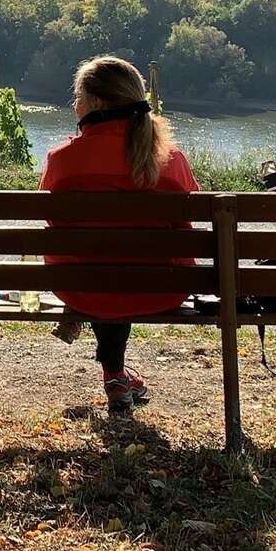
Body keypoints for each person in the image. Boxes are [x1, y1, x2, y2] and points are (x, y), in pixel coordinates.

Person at [40, 55, 199, 414]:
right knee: (121, 268)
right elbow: (187, 226)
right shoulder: (170, 159)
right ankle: (116, 374)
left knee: (101, 271)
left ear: (95, 103)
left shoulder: (63, 159)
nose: (75, 105)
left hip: (82, 287)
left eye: (78, 97)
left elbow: (52, 224)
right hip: (161, 289)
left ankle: (114, 373)